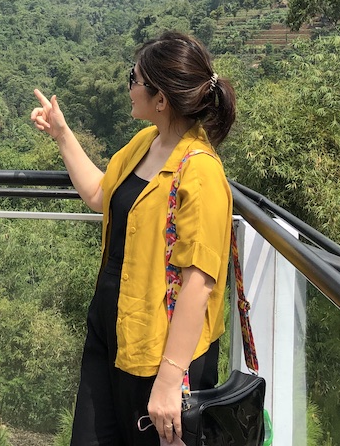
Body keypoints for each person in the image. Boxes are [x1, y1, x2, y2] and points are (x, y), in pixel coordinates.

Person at [31, 30, 237, 446]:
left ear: (160, 99)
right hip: (111, 326)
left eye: (135, 78)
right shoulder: (147, 143)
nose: (128, 87)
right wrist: (62, 134)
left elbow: (200, 282)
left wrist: (169, 378)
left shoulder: (201, 173)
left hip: (159, 350)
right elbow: (98, 194)